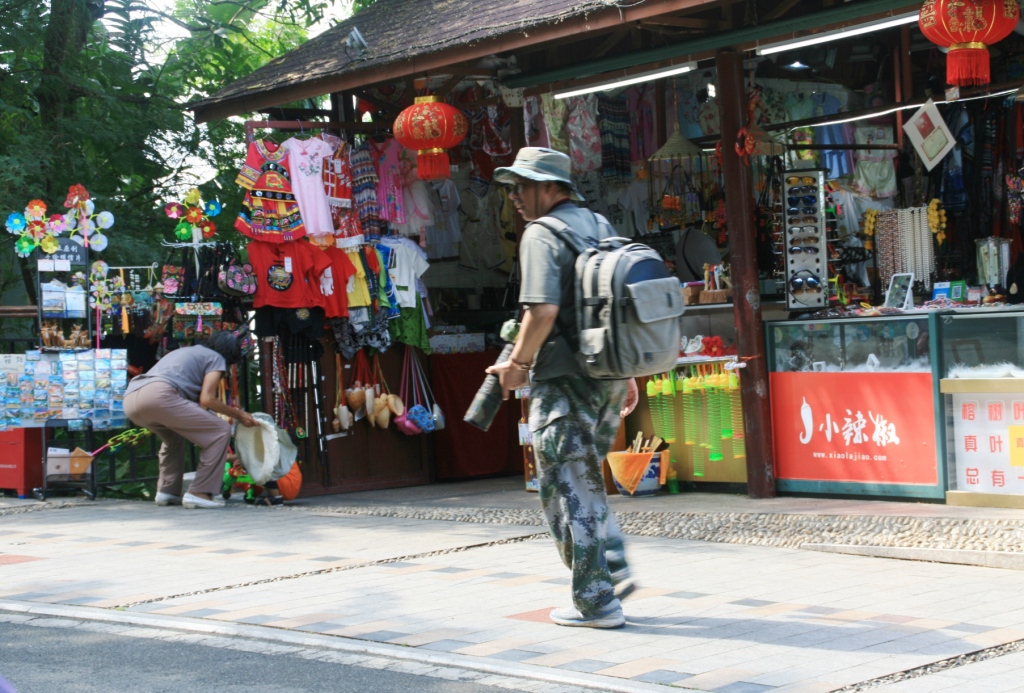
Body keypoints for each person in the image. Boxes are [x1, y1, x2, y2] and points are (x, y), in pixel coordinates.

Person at [488, 147, 640, 629]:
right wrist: (628, 374)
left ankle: (597, 600)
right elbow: (613, 307)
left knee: (565, 491)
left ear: (551, 188)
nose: (514, 197)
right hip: (608, 378)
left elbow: (542, 312)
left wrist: (516, 366)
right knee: (584, 483)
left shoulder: (541, 233)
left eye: (522, 186)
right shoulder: (598, 224)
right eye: (511, 188)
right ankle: (609, 564)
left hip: (563, 382)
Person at [123, 331, 256, 509]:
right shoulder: (216, 358)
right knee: (220, 430)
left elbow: (196, 403)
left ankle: (167, 491)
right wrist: (238, 414)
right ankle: (200, 493)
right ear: (231, 354)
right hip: (159, 396)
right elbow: (207, 399)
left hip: (132, 398)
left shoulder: (186, 351)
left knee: (173, 438)